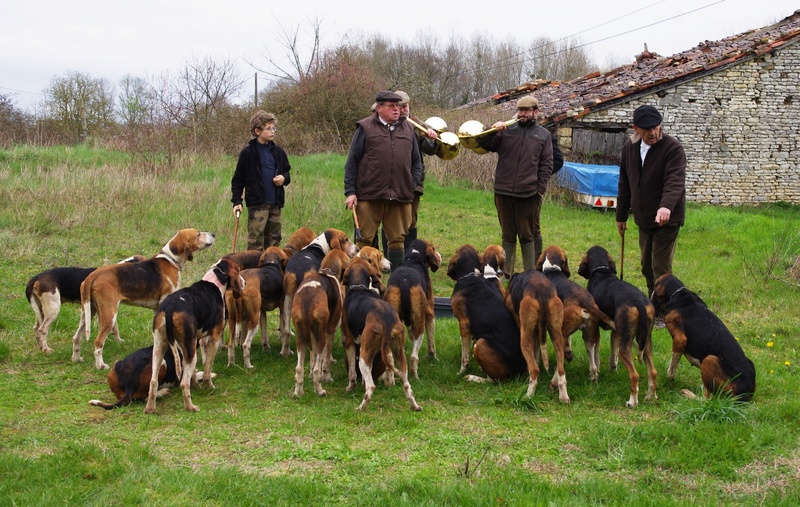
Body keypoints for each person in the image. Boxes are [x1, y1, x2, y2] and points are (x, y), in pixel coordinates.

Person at [344, 90, 428, 270]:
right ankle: (360, 279)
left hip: (400, 195)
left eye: (398, 106)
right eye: (391, 106)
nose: (396, 110)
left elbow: (416, 163)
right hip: (369, 194)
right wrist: (350, 192)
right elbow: (352, 162)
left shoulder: (409, 129)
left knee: (398, 240)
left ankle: (396, 282)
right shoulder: (365, 127)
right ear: (379, 108)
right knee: (364, 239)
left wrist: (409, 185)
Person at [616, 104, 686, 297]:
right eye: (647, 129)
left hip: (667, 219)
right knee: (646, 266)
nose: (653, 133)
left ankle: (665, 308)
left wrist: (666, 207)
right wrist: (621, 216)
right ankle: (653, 302)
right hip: (644, 218)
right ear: (635, 128)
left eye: (656, 127)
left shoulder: (673, 148)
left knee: (660, 267)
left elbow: (675, 181)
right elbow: (624, 183)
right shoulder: (629, 149)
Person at [477, 95, 554, 273]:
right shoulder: (507, 130)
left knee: (527, 235)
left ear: (536, 112)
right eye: (520, 110)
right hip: (503, 192)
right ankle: (506, 272)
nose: (522, 114)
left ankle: (530, 273)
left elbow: (547, 164)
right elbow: (483, 143)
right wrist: (492, 129)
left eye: (526, 111)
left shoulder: (543, 135)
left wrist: (539, 190)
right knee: (507, 234)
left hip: (528, 194)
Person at [375, 90, 438, 253]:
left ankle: (410, 257)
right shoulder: (385, 124)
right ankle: (389, 257)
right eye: (398, 106)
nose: (402, 110)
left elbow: (429, 150)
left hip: (413, 182)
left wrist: (431, 139)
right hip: (389, 182)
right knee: (389, 220)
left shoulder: (417, 125)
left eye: (404, 106)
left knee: (410, 221)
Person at [231, 110, 291, 250]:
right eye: (268, 128)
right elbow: (238, 180)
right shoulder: (247, 153)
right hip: (257, 204)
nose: (272, 131)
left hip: (275, 204)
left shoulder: (278, 151)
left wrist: (283, 178)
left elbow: (287, 173)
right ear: (257, 131)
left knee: (274, 240)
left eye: (273, 128)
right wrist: (237, 201)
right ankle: (253, 270)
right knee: (256, 240)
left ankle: (271, 269)